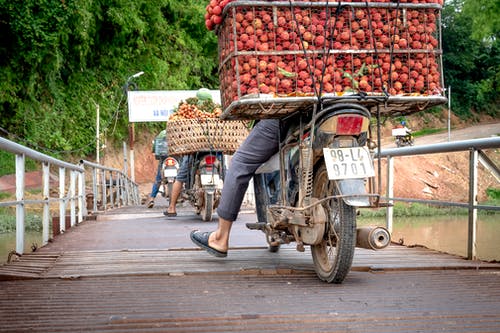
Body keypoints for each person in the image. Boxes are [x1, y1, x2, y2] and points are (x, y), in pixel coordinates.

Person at [189, 119, 281, 257]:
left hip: (283, 119)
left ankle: (220, 238)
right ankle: (278, 227)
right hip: (316, 113)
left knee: (239, 163)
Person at [146, 129, 168, 208]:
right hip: (174, 157)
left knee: (158, 179)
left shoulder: (161, 134)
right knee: (179, 177)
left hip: (163, 157)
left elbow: (154, 148)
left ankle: (152, 198)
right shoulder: (176, 132)